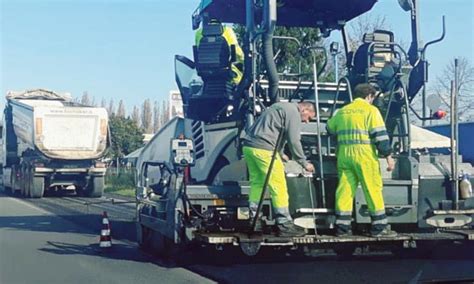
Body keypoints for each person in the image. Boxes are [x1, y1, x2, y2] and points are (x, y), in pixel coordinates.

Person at [327, 83, 397, 237]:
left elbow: (329, 128)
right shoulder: (371, 111)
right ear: (369, 96)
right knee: (372, 189)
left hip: (344, 155)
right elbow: (380, 136)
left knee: (345, 190)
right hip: (364, 155)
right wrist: (388, 157)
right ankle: (379, 227)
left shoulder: (342, 111)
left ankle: (342, 228)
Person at [242, 101, 316, 237]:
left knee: (257, 183)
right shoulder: (294, 112)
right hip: (264, 150)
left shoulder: (281, 106)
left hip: (250, 147)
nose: (306, 122)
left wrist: (281, 153)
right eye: (309, 117)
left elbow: (275, 130)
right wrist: (304, 162)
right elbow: (294, 140)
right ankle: (284, 224)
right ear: (304, 109)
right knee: (279, 186)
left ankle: (254, 220)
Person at [195, 21, 244, 85]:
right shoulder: (227, 31)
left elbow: (199, 54)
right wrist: (244, 61)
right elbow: (237, 52)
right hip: (227, 75)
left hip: (206, 75)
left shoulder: (199, 33)